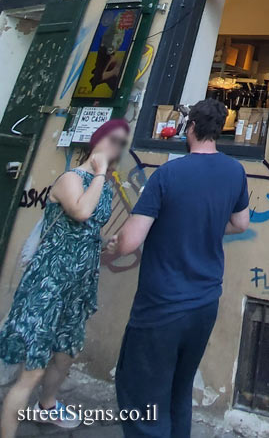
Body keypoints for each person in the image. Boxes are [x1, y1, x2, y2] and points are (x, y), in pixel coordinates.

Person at [111, 98, 250, 438]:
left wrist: (114, 245)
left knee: (144, 397)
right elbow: (241, 223)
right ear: (218, 131)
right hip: (204, 304)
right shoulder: (235, 171)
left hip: (161, 306)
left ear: (191, 129)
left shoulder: (168, 174)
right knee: (178, 389)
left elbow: (130, 241)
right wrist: (205, 224)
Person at [0, 119, 131, 438]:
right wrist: (100, 173)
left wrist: (105, 243)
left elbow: (86, 231)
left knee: (65, 355)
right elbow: (81, 212)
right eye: (111, 139)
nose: (116, 147)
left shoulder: (105, 184)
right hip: (48, 284)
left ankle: (47, 407)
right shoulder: (72, 178)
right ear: (97, 141)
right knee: (33, 369)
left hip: (77, 286)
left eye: (122, 142)